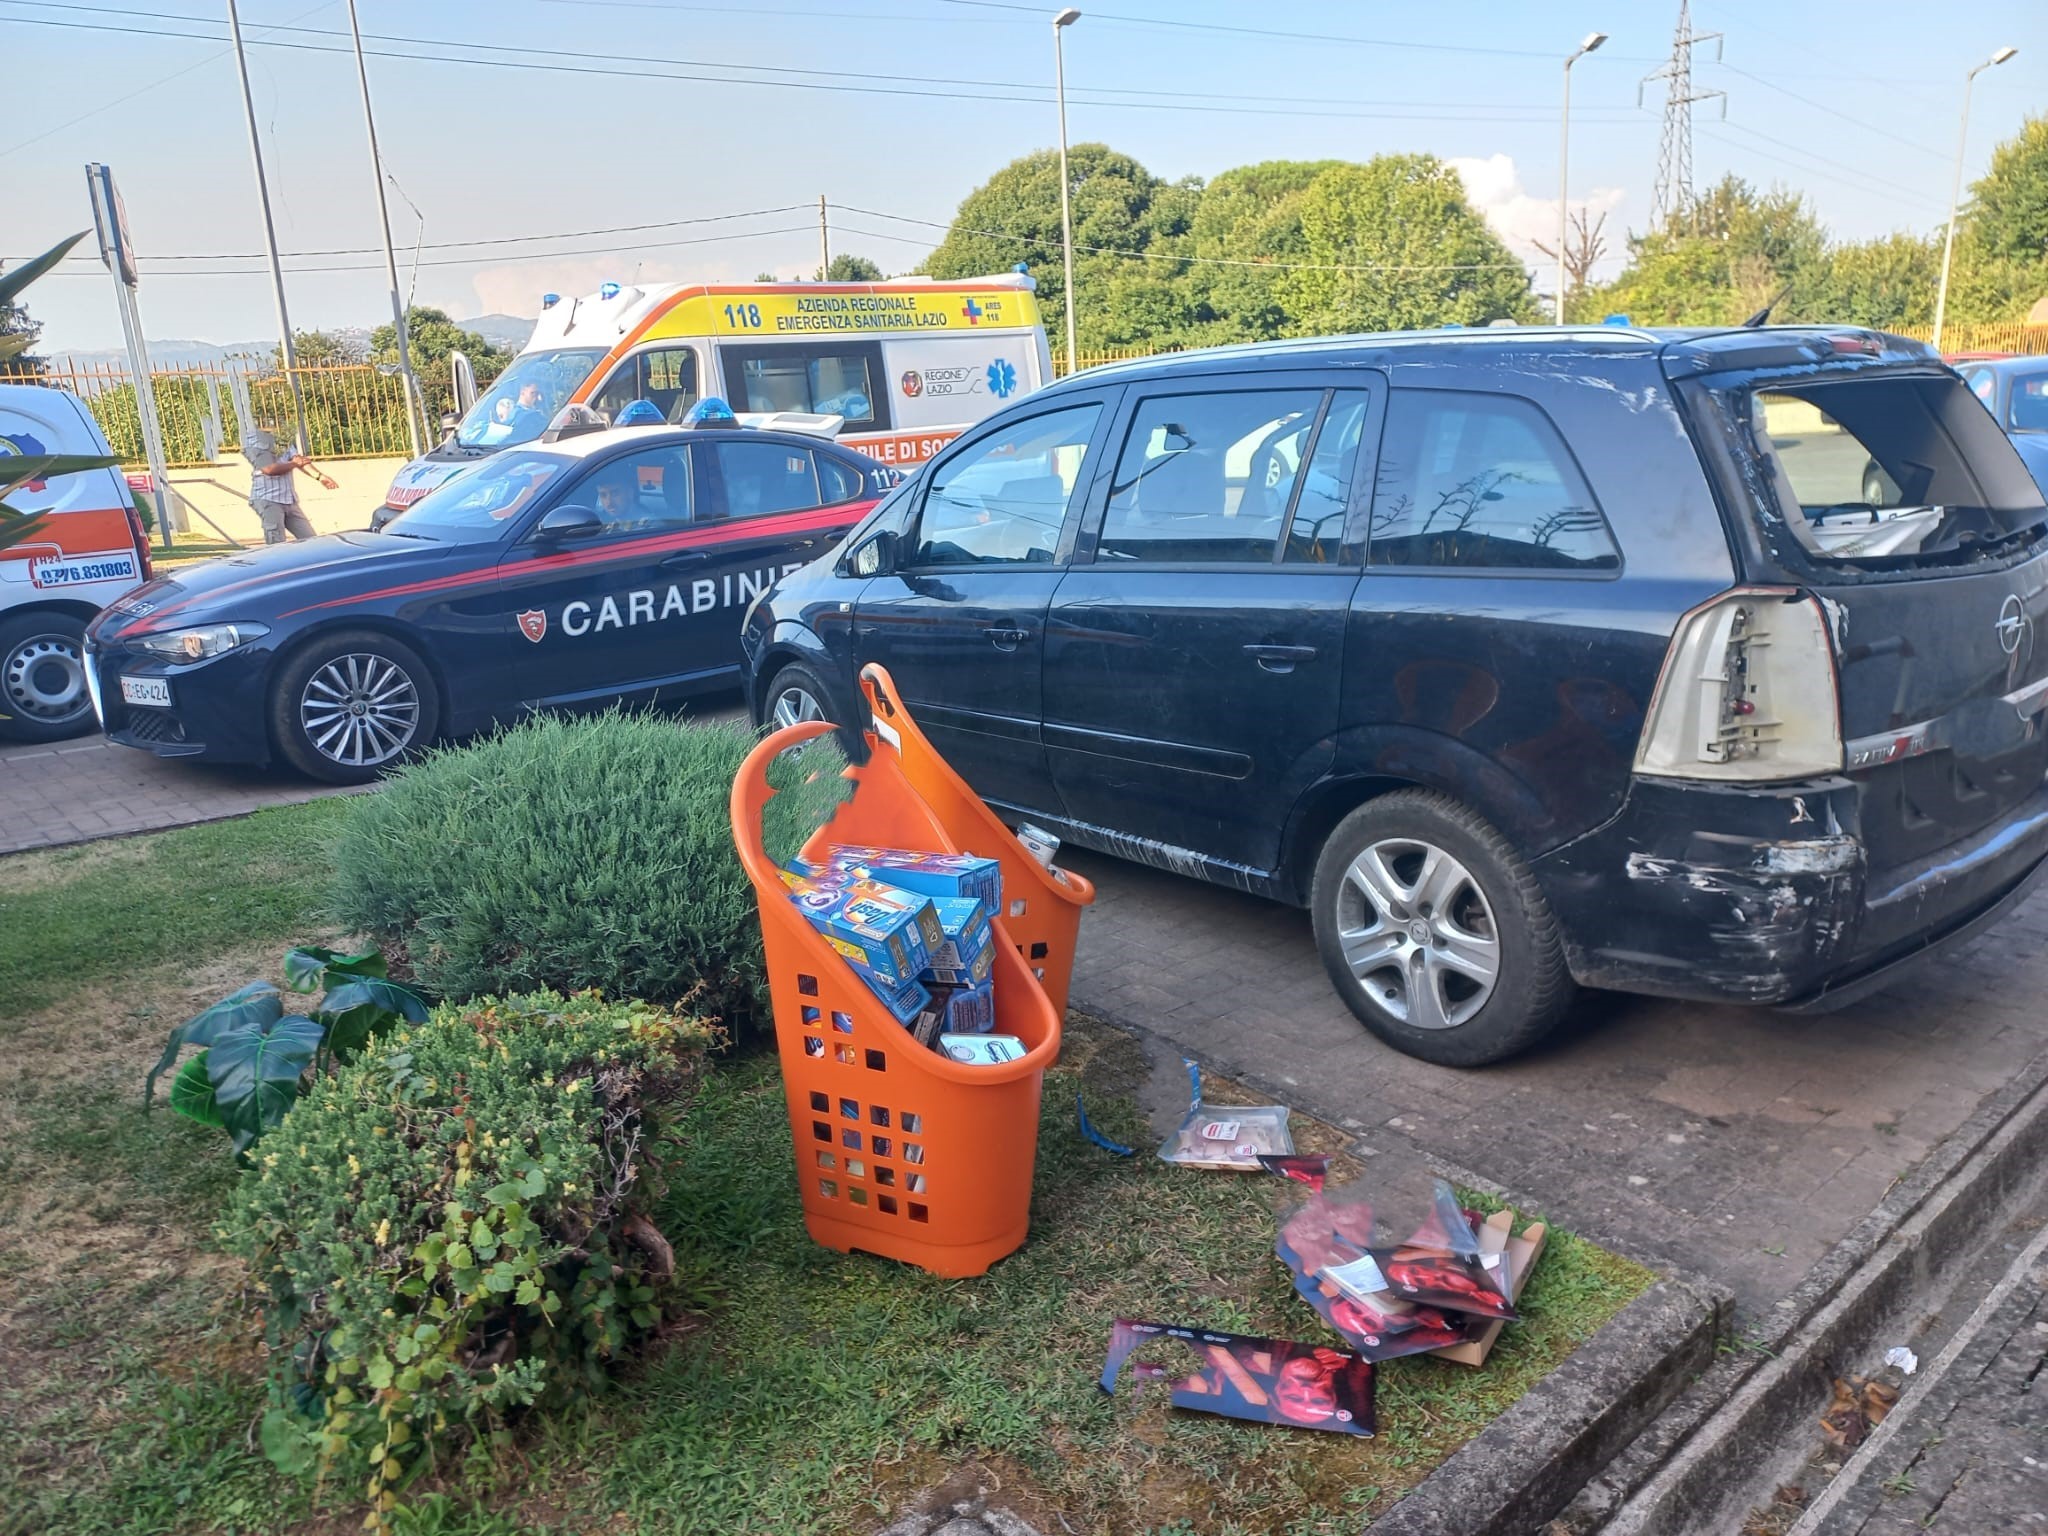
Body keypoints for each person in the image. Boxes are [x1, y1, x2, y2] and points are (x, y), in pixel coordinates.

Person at [243, 427, 317, 544]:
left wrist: (319, 476)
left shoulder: (283, 441)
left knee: (311, 540)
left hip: (289, 500)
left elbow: (299, 461)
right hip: (268, 500)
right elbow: (269, 469)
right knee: (276, 545)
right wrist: (294, 464)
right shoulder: (254, 441)